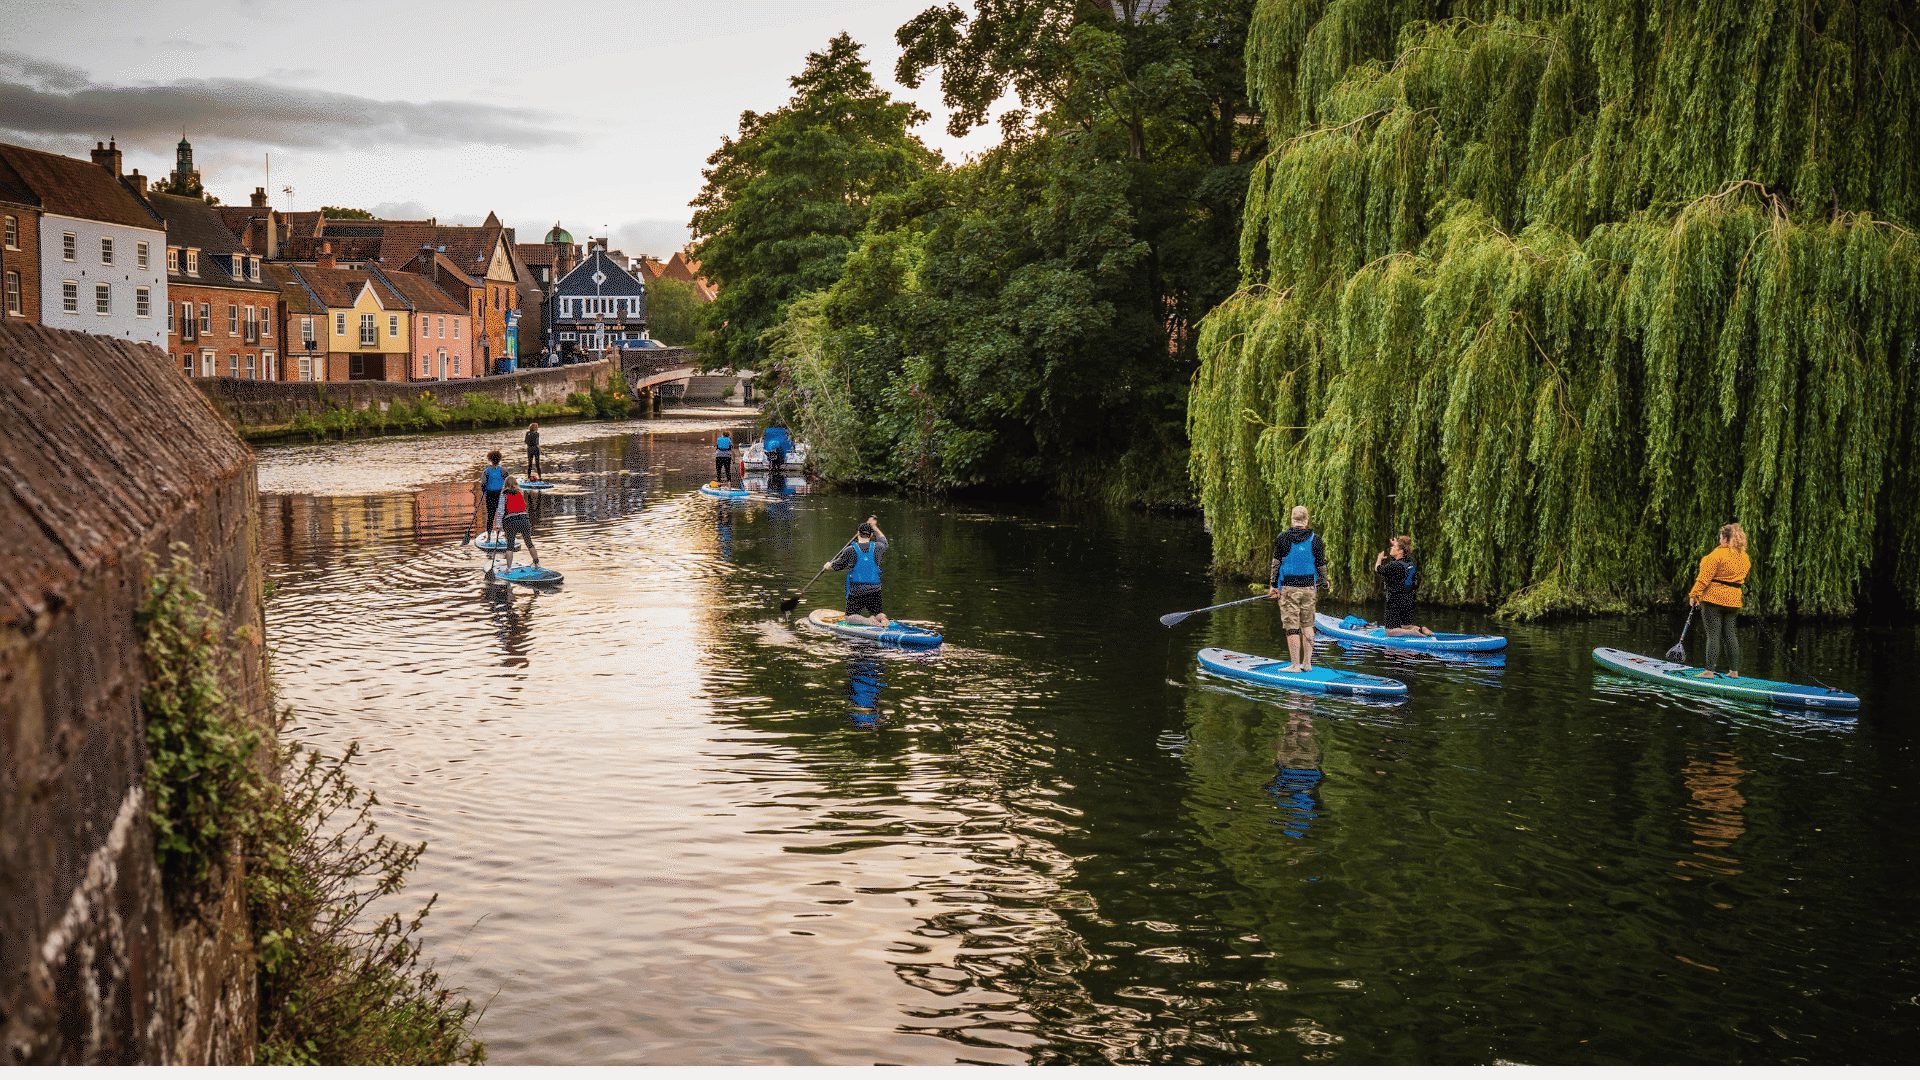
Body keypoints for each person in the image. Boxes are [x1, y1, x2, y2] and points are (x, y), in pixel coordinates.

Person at [1266, 505, 1326, 672]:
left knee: (1292, 626)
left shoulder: (1283, 538)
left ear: (1292, 519)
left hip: (1289, 589)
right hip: (1309, 588)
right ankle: (1307, 664)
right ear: (1306, 520)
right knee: (1308, 624)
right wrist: (1324, 580)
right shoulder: (1316, 539)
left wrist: (1273, 586)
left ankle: (1294, 665)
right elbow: (1321, 564)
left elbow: (1276, 564)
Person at [1688, 522, 1749, 678]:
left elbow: (1704, 579)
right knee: (1730, 634)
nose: (1719, 539)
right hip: (1733, 600)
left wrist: (1694, 595)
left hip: (1714, 599)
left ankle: (1709, 671)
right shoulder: (1744, 558)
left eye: (1721, 537)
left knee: (1713, 635)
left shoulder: (1715, 555)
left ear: (1725, 538)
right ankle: (1734, 671)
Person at [825, 517, 889, 626]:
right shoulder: (879, 547)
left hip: (857, 591)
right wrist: (874, 527)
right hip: (875, 589)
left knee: (849, 617)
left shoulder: (850, 550)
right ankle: (883, 619)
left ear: (858, 533)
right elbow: (884, 541)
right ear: (871, 535)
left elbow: (836, 566)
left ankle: (869, 621)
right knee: (878, 612)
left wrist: (827, 566)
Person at [1372, 535, 1434, 636]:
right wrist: (1397, 544)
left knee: (1390, 631)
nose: (1391, 548)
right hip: (1409, 599)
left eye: (1394, 547)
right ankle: (1422, 629)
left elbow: (1378, 569)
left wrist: (1379, 558)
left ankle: (1412, 632)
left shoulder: (1394, 565)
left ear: (1400, 551)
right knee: (1406, 625)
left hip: (1395, 600)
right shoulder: (1411, 561)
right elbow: (1402, 548)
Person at [493, 476, 541, 572]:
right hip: (524, 520)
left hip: (511, 522)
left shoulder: (503, 495)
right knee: (529, 543)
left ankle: (509, 568)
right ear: (515, 483)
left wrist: (498, 526)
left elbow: (501, 512)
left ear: (505, 484)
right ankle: (537, 564)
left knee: (510, 546)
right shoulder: (520, 492)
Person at [479, 450, 507, 541]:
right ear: (499, 459)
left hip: (490, 495)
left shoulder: (486, 471)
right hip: (501, 495)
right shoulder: (503, 471)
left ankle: (489, 537)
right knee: (502, 515)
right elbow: (508, 482)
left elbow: (483, 484)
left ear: (490, 459)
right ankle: (504, 534)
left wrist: (484, 493)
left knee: (490, 516)